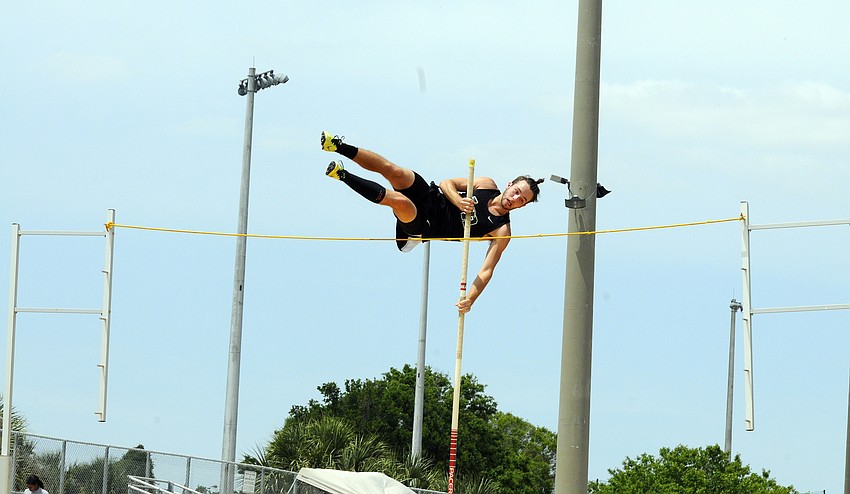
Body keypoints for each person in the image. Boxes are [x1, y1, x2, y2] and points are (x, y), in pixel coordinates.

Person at [321, 131, 543, 313]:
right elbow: (447, 183)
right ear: (509, 184)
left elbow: (487, 270)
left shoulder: (501, 230)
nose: (514, 199)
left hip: (423, 228)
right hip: (431, 198)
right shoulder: (485, 184)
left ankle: (342, 175)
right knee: (395, 172)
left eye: (521, 200)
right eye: (516, 192)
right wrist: (459, 201)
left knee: (400, 202)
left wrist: (471, 298)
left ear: (522, 206)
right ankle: (337, 146)